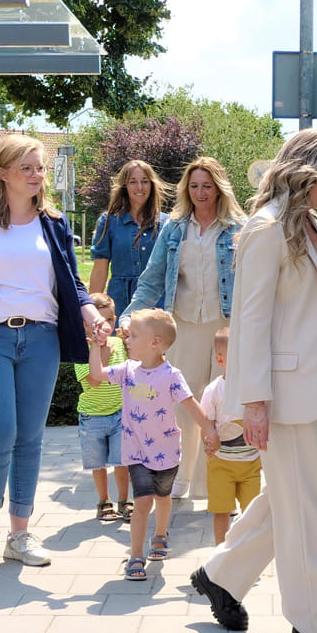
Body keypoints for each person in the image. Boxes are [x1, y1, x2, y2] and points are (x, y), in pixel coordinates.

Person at [191, 128, 317, 633]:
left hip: (310, 389)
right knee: (309, 509)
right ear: (310, 173)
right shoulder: (267, 229)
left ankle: (220, 576)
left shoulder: (305, 223)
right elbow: (250, 322)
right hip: (283, 397)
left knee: (292, 499)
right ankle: (313, 627)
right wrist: (253, 402)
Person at [0, 133, 109, 568]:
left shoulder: (52, 222)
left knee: (30, 440)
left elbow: (71, 282)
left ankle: (20, 534)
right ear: (2, 173)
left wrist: (91, 315)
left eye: (40, 168)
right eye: (27, 168)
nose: (37, 176)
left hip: (41, 340)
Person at [127, 156, 242, 499]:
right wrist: (130, 318)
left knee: (223, 403)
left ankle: (215, 482)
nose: (200, 192)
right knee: (183, 404)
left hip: (226, 326)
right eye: (194, 186)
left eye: (207, 186)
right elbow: (151, 280)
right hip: (186, 325)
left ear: (219, 188)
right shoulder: (175, 229)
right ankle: (182, 477)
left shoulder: (239, 228)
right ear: (186, 189)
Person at [88, 307, 218, 581]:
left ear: (154, 343)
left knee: (163, 497)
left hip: (167, 451)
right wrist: (96, 346)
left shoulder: (171, 375)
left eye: (133, 335)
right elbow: (97, 375)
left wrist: (209, 429)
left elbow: (190, 404)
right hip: (136, 451)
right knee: (143, 500)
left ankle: (160, 534)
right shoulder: (127, 370)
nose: (126, 339)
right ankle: (136, 555)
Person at [199, 325, 260, 545]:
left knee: (252, 513)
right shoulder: (214, 390)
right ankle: (220, 553)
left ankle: (245, 554)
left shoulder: (254, 388)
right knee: (221, 511)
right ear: (220, 359)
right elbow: (205, 421)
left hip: (251, 463)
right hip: (221, 463)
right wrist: (208, 440)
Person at [74, 292, 132, 523]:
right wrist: (101, 352)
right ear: (86, 324)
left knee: (121, 461)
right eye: (99, 321)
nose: (105, 326)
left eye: (109, 320)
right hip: (92, 416)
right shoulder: (81, 350)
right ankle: (103, 501)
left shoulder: (120, 344)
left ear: (115, 320)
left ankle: (125, 501)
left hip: (120, 413)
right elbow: (94, 381)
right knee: (98, 464)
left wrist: (131, 337)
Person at [88, 159, 170, 317]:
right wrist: (93, 311)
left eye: (145, 182)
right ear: (125, 186)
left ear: (152, 185)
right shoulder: (109, 222)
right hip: (120, 302)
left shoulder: (167, 224)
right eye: (133, 182)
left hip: (156, 303)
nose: (140, 187)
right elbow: (99, 270)